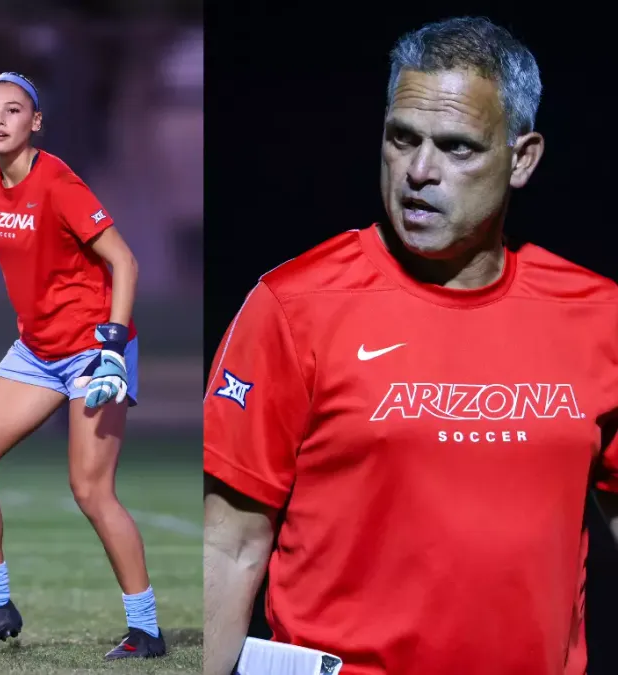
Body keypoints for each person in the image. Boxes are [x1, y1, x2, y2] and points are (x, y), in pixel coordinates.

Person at [203, 16, 618, 675]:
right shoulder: (294, 306)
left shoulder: (599, 315)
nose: (419, 171)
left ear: (522, 158)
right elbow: (229, 547)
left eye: (457, 148)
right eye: (402, 138)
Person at [0, 72, 165, 661]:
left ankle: (146, 630)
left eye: (13, 110)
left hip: (94, 348)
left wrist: (112, 349)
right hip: (37, 350)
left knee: (91, 490)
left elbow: (125, 262)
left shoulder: (58, 181)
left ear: (35, 122)